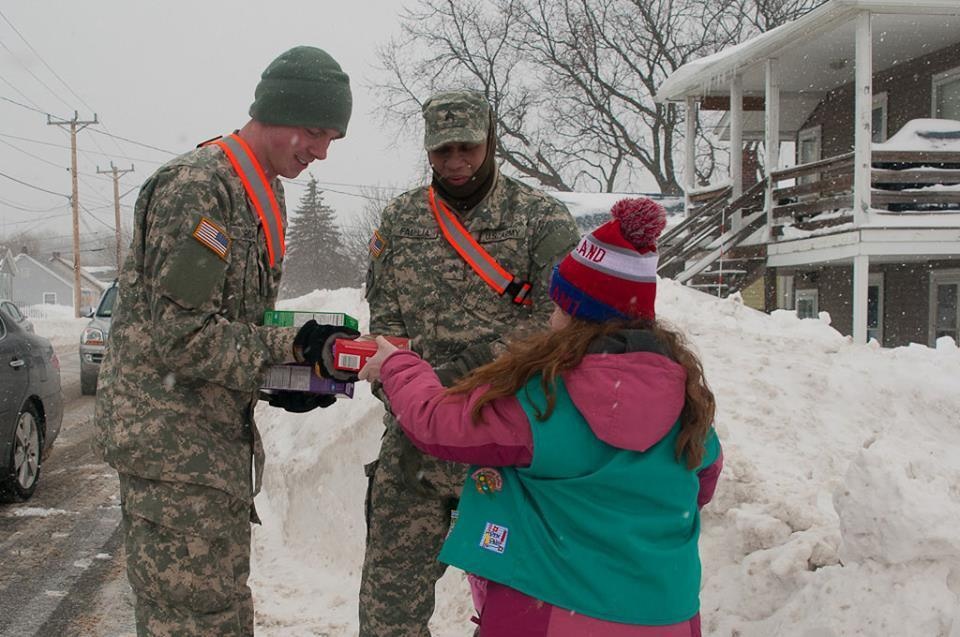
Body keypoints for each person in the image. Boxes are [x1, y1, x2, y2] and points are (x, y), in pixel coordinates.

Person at [359, 197, 723, 636]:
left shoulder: (547, 401)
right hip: (669, 617)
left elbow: (437, 425)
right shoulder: (687, 402)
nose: (550, 320)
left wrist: (399, 366)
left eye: (558, 308)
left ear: (577, 319)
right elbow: (701, 485)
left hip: (552, 612)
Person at [95, 46, 358, 636]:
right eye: (314, 132)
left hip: (212, 445)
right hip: (173, 450)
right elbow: (184, 339)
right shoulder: (198, 189)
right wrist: (290, 348)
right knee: (191, 620)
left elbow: (233, 321)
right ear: (276, 113)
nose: (321, 150)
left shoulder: (262, 190)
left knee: (224, 610)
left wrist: (289, 377)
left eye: (332, 138)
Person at [361, 89, 582, 636]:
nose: (455, 163)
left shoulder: (540, 218)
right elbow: (387, 332)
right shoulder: (402, 219)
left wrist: (457, 377)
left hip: (511, 444)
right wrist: (404, 392)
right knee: (389, 607)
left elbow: (566, 331)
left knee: (526, 610)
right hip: (418, 441)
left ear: (491, 141)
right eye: (442, 152)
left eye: (467, 148)